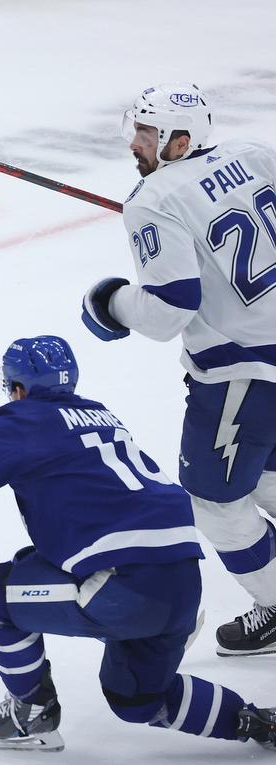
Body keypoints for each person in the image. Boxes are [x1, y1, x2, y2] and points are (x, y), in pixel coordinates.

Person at [0, 336, 276, 752]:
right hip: (182, 581)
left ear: (18, 388)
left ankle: (30, 715)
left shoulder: (25, 419)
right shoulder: (101, 415)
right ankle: (254, 722)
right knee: (136, 697)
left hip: (125, 588)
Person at [81, 83, 276, 656]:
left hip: (243, 376)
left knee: (216, 504)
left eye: (145, 134)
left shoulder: (153, 200)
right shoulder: (255, 154)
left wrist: (110, 300)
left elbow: (169, 311)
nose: (134, 145)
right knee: (266, 475)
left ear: (179, 139)